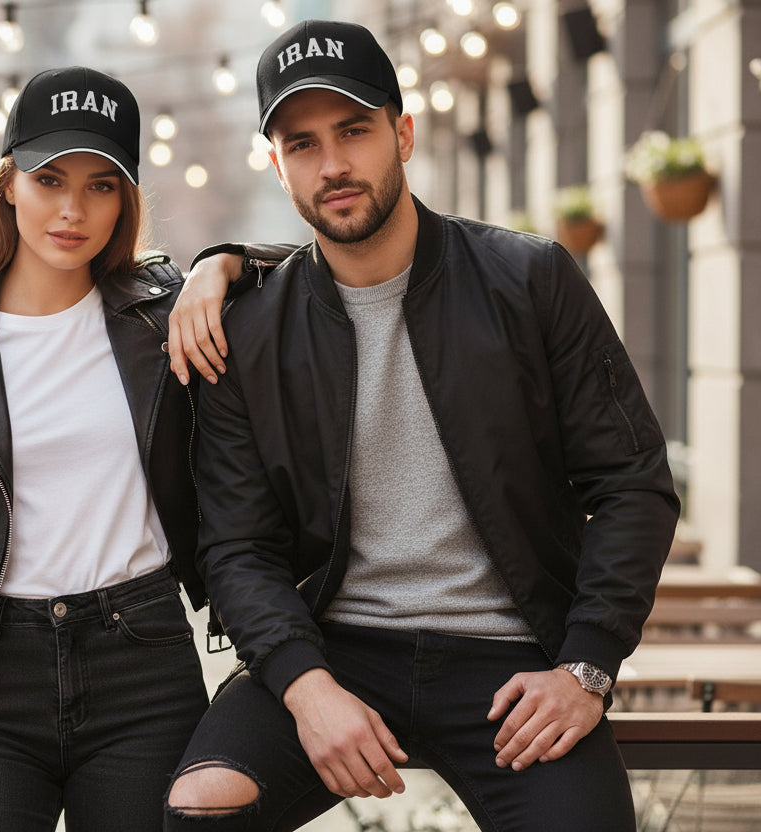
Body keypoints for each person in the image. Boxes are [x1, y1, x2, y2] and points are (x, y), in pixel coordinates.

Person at [163, 20, 680, 832]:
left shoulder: (530, 281)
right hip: (339, 649)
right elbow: (236, 545)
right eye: (302, 145)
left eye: (355, 131)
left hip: (512, 658)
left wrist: (586, 665)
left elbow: (633, 485)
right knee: (203, 808)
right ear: (278, 165)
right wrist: (307, 688)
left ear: (402, 133)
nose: (332, 165)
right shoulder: (251, 332)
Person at [0, 66, 285, 832]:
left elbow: (311, 272)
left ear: (126, 200)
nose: (72, 209)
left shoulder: (163, 320)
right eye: (50, 178)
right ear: (9, 184)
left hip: (142, 665)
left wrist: (225, 260)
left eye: (101, 185)